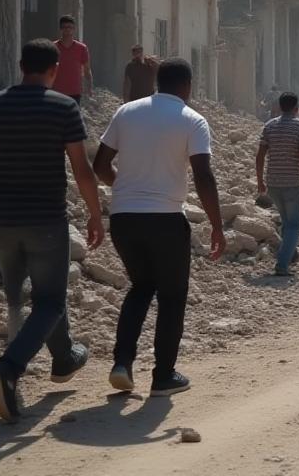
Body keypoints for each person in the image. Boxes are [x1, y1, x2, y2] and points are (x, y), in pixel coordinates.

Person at [0, 39, 103, 422]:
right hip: (46, 220)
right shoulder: (64, 107)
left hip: (2, 222)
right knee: (51, 300)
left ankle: (64, 358)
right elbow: (82, 169)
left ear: (20, 65)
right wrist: (95, 214)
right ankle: (8, 369)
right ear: (55, 70)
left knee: (22, 297)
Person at [92, 58, 226, 397]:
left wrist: (126, 188)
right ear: (188, 86)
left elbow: (100, 165)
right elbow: (203, 175)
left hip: (123, 218)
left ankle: (122, 363)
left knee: (140, 287)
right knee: (172, 296)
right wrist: (217, 225)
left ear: (157, 81)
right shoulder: (192, 120)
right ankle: (163, 376)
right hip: (166, 218)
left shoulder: (126, 112)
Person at [256, 91, 299, 277]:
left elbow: (260, 155)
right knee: (295, 224)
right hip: (292, 182)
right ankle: (282, 264)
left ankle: (291, 254)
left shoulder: (269, 126)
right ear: (297, 108)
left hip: (273, 183)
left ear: (280, 107)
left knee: (286, 221)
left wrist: (260, 180)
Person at [53, 15, 91, 105]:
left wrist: (89, 87)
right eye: (64, 27)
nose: (67, 30)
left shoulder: (82, 48)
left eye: (69, 27)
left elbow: (87, 69)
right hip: (56, 92)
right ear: (60, 29)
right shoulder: (53, 47)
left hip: (75, 92)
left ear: (74, 29)